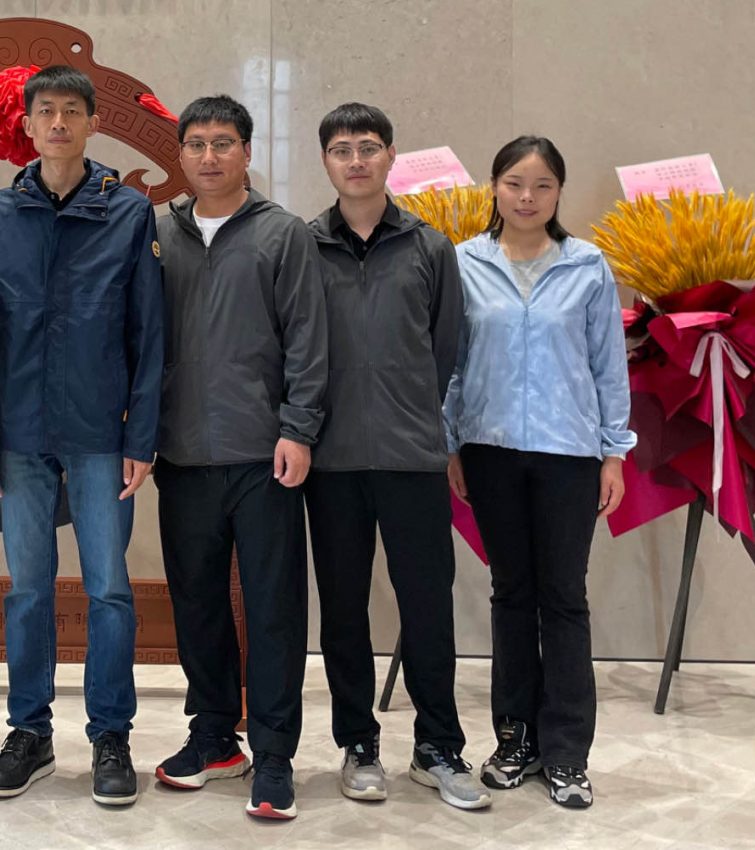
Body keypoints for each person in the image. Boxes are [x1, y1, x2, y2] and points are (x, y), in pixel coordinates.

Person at [0, 64, 163, 806]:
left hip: (101, 431)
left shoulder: (129, 211)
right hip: (19, 430)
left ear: (92, 122)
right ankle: (30, 732)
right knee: (26, 588)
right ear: (26, 123)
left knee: (108, 588)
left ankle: (111, 734)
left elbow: (148, 332)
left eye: (71, 110)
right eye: (45, 110)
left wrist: (141, 437)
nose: (57, 123)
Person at [149, 95, 326, 821]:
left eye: (223, 142)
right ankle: (215, 736)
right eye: (196, 143)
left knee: (273, 606)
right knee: (196, 603)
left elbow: (309, 339)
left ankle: (275, 754)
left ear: (247, 152)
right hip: (182, 452)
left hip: (265, 455)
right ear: (181, 155)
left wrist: (299, 428)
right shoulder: (158, 233)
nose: (209, 155)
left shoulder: (282, 234)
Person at [304, 102, 485, 810]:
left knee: (428, 606)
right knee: (343, 610)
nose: (356, 160)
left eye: (368, 147)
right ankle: (358, 742)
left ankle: (438, 746)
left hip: (412, 457)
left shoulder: (429, 246)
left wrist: (414, 412)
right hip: (331, 461)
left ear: (390, 157)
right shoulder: (304, 245)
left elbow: (445, 346)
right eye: (342, 149)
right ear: (326, 160)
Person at [444, 135, 633, 810]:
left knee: (564, 597)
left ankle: (567, 752)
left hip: (568, 455)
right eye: (515, 183)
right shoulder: (464, 261)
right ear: (494, 187)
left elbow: (609, 365)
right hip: (489, 450)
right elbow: (452, 363)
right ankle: (515, 738)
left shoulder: (587, 265)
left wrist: (614, 452)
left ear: (558, 192)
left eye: (543, 185)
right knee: (511, 594)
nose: (527, 197)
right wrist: (451, 444)